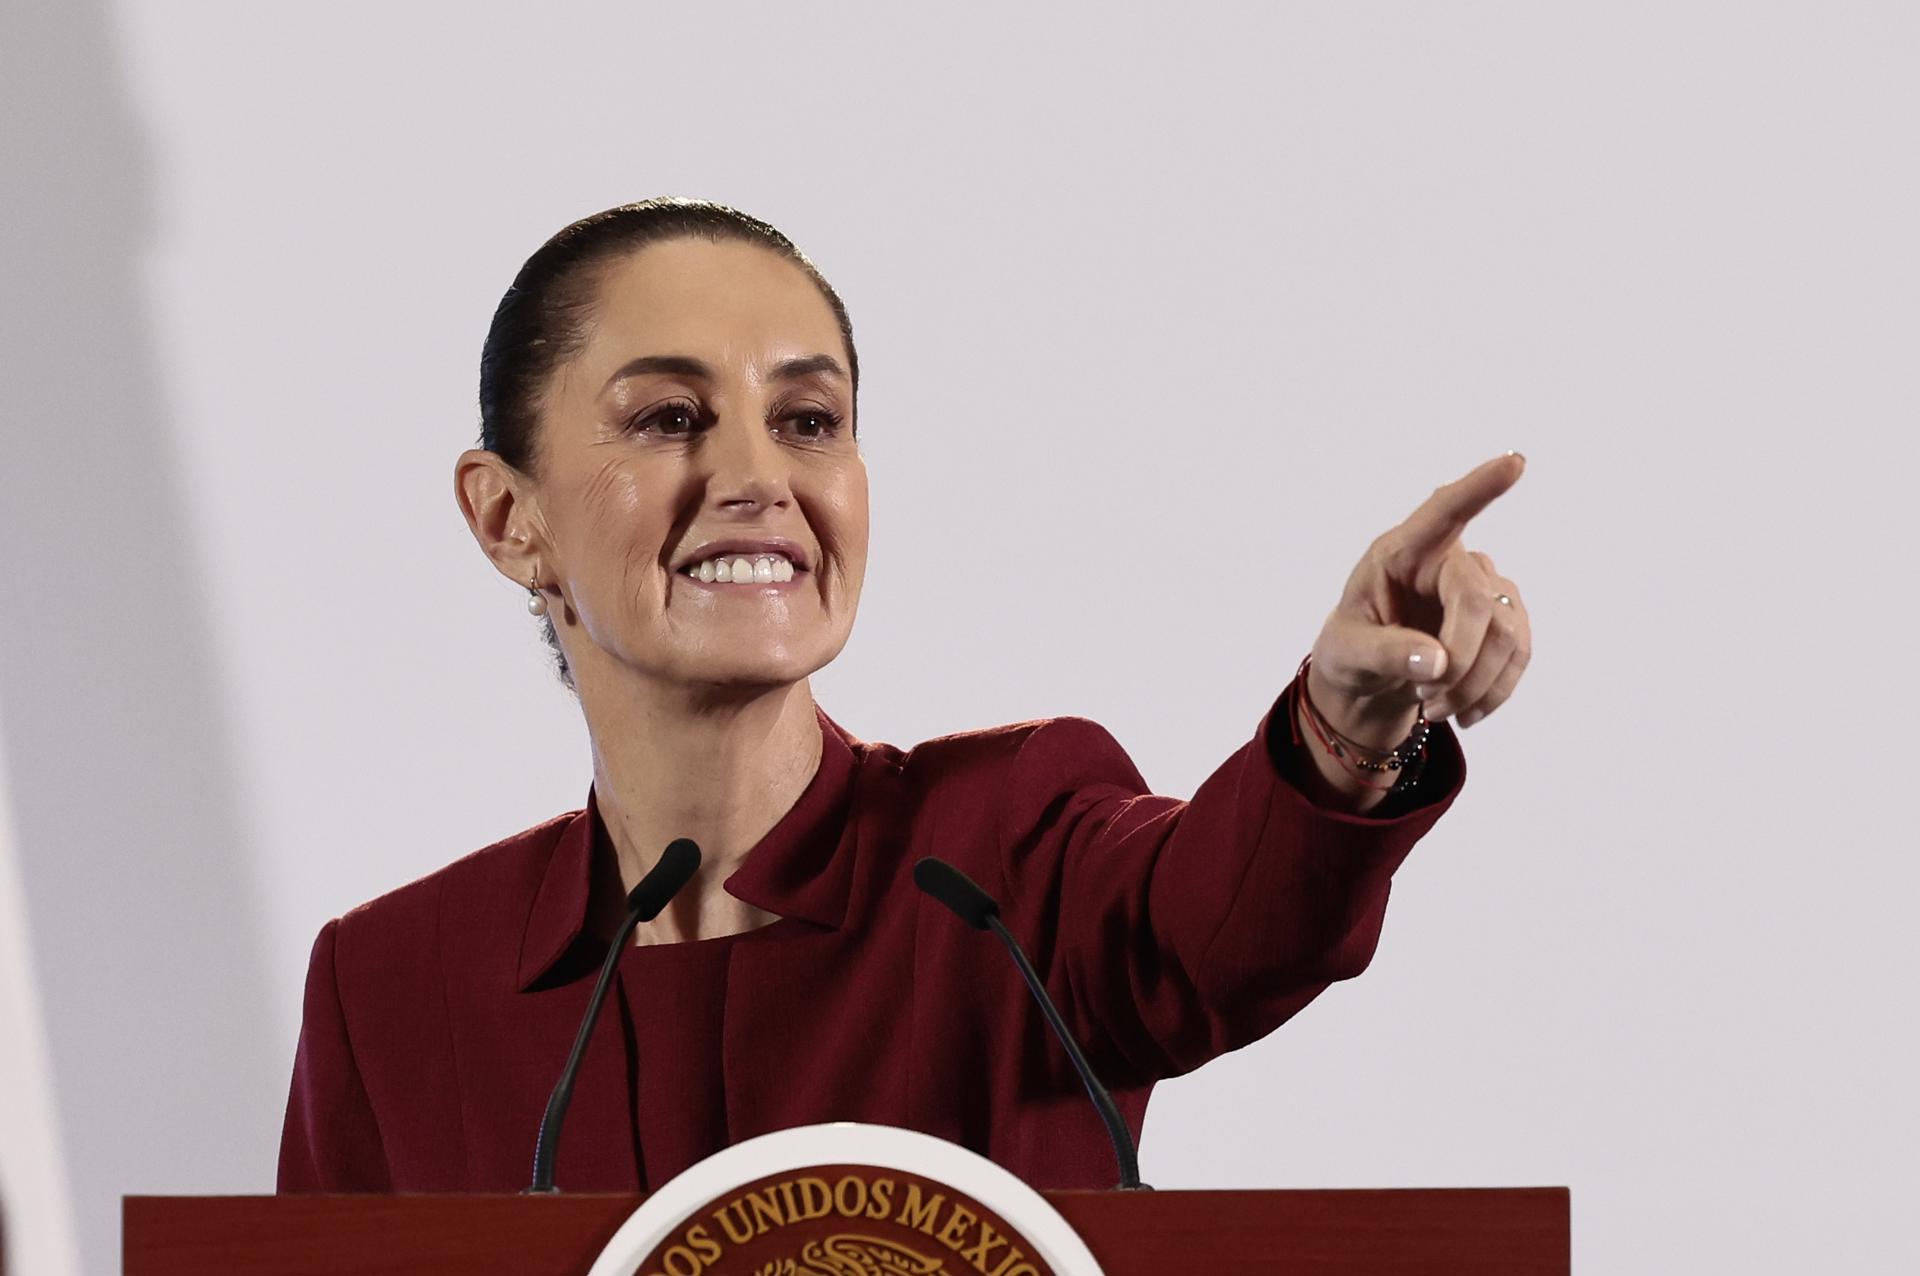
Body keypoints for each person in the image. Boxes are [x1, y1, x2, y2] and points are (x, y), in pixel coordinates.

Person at [277, 197, 1532, 1194]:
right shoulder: (392, 988)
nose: (760, 477)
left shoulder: (1003, 855)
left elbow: (1220, 925)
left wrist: (1344, 735)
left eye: (810, 420)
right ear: (509, 516)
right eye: (670, 417)